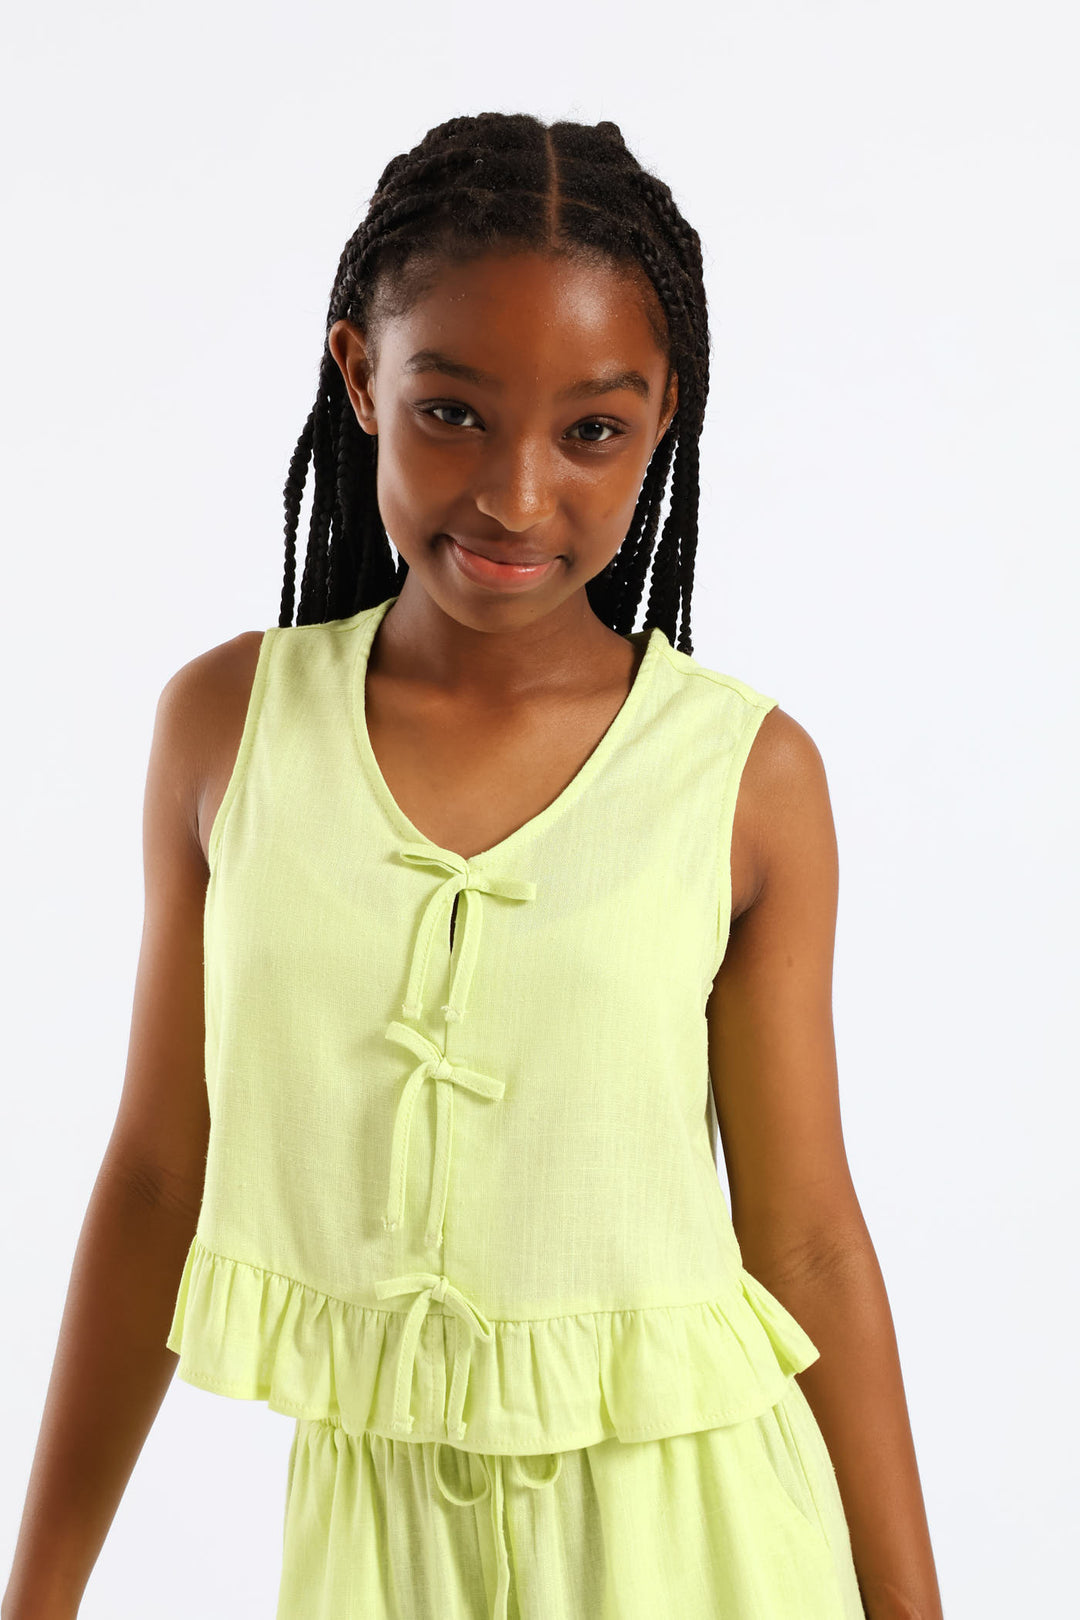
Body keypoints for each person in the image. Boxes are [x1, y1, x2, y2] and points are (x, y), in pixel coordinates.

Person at [3, 112, 944, 1620]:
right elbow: (159, 1181)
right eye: (452, 412)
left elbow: (810, 1240)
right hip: (373, 1552)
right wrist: (39, 1589)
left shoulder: (747, 779)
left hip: (700, 1539)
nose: (516, 495)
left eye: (592, 431)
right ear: (359, 375)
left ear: (664, 418)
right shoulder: (228, 732)